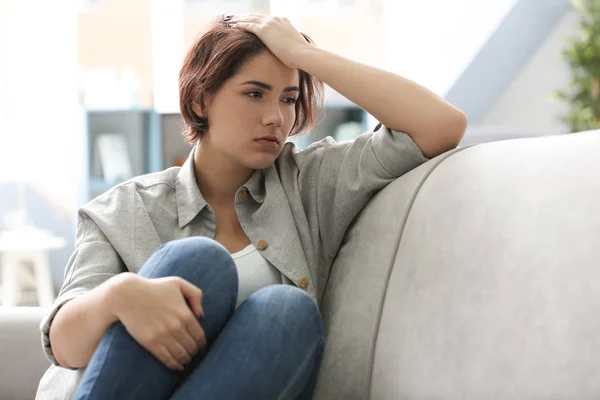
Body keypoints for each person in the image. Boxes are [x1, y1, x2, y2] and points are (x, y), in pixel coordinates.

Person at [35, 13, 467, 400]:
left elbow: (440, 126)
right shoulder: (124, 209)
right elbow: (64, 344)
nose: (276, 118)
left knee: (288, 312)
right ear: (202, 99)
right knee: (198, 262)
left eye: (288, 98)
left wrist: (304, 54)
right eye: (255, 94)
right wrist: (119, 295)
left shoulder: (309, 183)